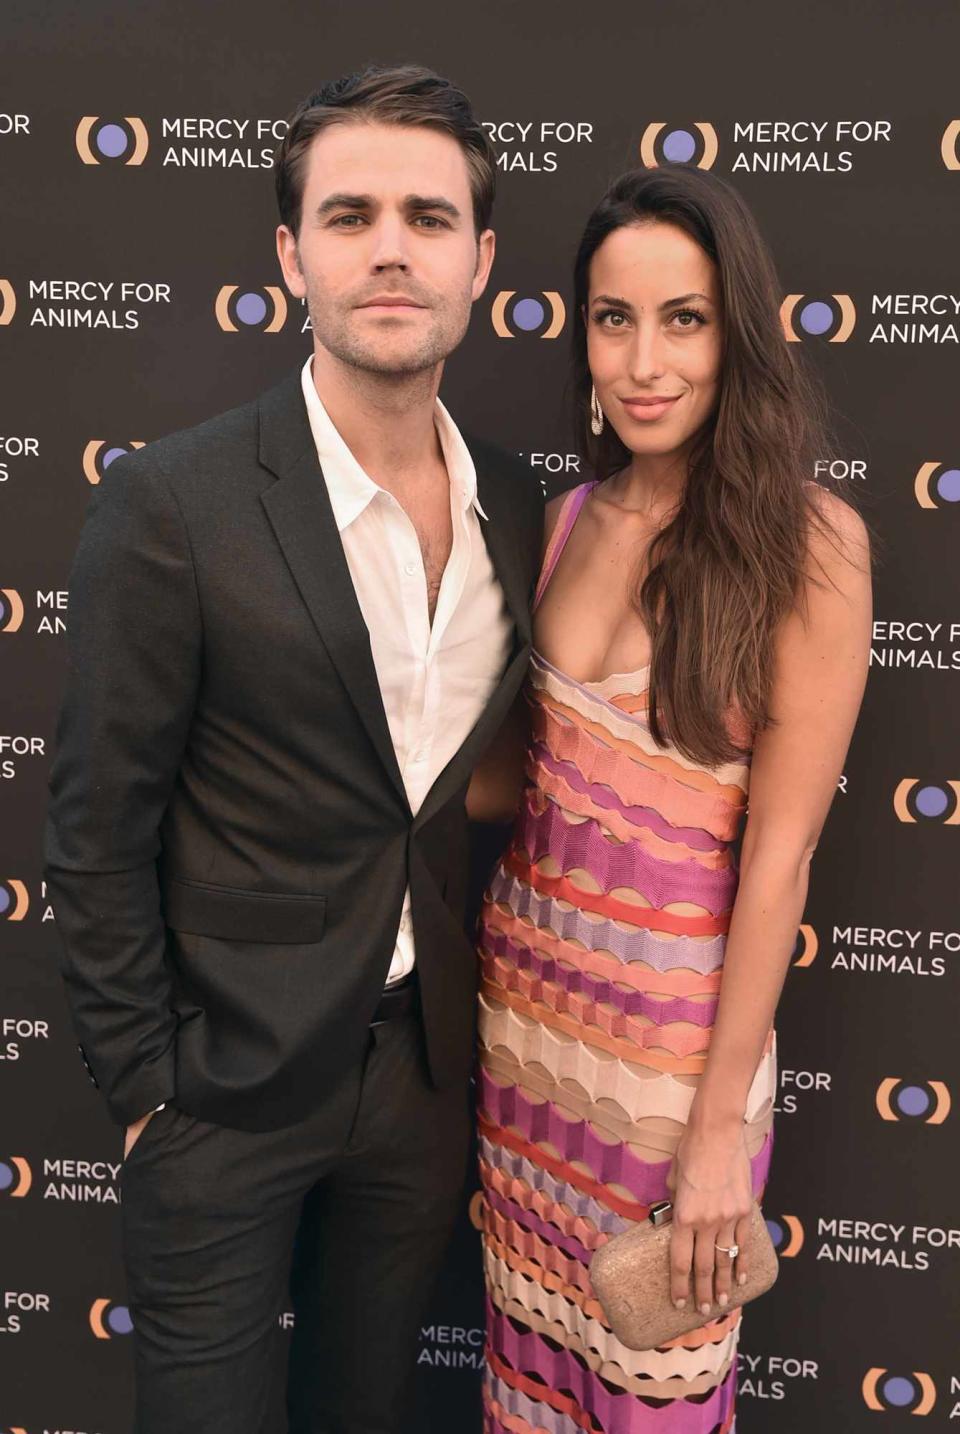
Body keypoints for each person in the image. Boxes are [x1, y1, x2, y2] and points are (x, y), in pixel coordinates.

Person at [44, 64, 542, 1434]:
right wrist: (147, 1089)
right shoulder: (173, 500)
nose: (392, 247)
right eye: (352, 213)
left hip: (422, 1085)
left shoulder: (516, 495)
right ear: (291, 253)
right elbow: (95, 825)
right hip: (221, 1086)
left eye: (430, 218)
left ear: (482, 259)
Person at [468, 166, 871, 1432]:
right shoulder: (561, 518)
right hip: (525, 1040)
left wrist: (712, 1138)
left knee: (652, 1401)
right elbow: (500, 788)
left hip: (668, 1074)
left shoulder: (810, 545)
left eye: (683, 318)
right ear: (579, 334)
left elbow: (783, 856)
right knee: (529, 1388)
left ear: (735, 333)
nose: (644, 360)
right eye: (612, 317)